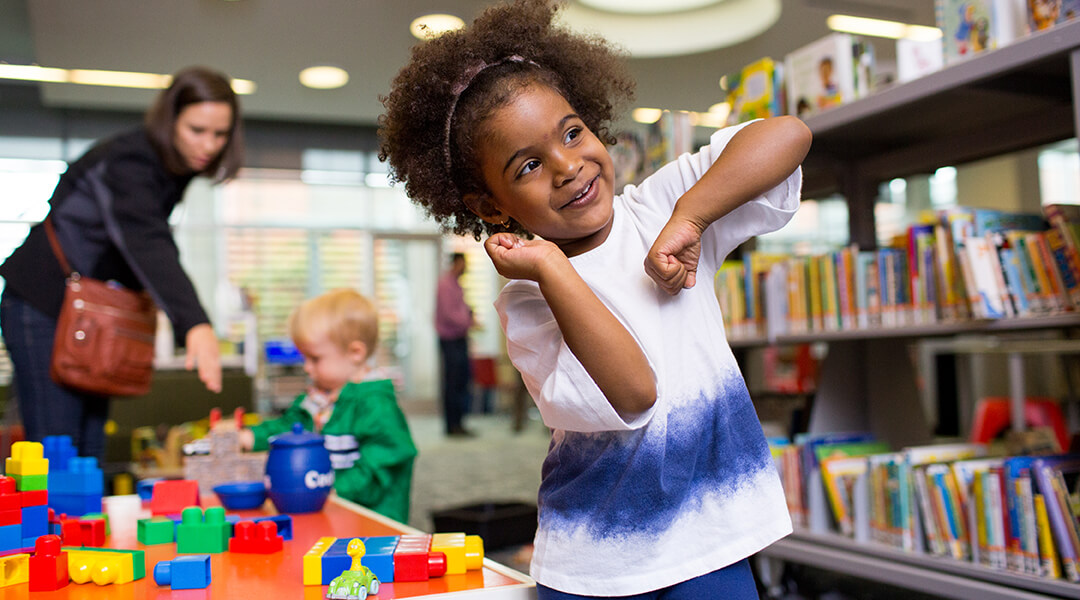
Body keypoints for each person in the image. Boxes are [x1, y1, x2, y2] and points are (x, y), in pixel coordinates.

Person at [378, 1, 812, 597]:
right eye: (529, 164)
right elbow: (635, 391)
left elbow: (787, 134)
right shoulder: (530, 299)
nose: (568, 166)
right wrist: (553, 268)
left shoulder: (659, 210)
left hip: (712, 535)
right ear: (489, 206)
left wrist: (691, 216)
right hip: (598, 563)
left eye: (573, 132)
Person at [0, 66, 244, 461]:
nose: (210, 144)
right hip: (41, 307)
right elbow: (146, 240)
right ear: (171, 120)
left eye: (220, 134)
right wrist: (194, 322)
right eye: (196, 130)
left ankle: (82, 523)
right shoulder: (130, 160)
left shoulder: (174, 169)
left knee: (90, 450)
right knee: (57, 449)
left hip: (89, 316)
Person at [232, 288, 417, 523]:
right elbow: (289, 427)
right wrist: (252, 436)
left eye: (315, 359)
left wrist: (334, 488)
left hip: (372, 521)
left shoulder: (375, 403)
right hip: (327, 511)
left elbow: (386, 459)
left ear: (355, 352)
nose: (307, 368)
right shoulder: (317, 398)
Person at [435, 252, 475, 436]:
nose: (465, 267)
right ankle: (452, 426)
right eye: (463, 263)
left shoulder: (457, 285)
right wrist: (468, 321)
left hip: (460, 339)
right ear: (455, 263)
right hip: (450, 340)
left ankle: (459, 424)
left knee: (461, 382)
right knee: (452, 384)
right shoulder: (445, 285)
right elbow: (449, 315)